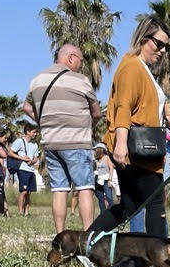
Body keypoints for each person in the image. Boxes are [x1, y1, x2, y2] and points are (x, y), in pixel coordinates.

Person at [89, 15, 170, 267]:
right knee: (153, 203)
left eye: (166, 46)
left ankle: (87, 243)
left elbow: (144, 105)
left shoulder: (143, 69)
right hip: (134, 150)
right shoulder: (132, 66)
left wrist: (166, 112)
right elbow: (123, 107)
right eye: (158, 44)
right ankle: (166, 257)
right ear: (143, 38)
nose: (162, 50)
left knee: (130, 206)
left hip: (143, 149)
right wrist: (121, 144)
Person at [22, 43, 100, 234]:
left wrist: (43, 122)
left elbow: (26, 107)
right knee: (84, 188)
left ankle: (60, 235)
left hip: (51, 142)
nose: (80, 65)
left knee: (59, 189)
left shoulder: (37, 80)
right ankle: (88, 237)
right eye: (80, 61)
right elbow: (97, 113)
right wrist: (88, 125)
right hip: (76, 141)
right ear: (71, 57)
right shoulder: (80, 80)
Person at [8, 123, 39, 215]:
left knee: (29, 192)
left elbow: (36, 157)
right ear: (28, 132)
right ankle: (20, 212)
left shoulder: (35, 144)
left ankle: (27, 212)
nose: (35, 134)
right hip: (22, 169)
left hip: (31, 170)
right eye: (34, 132)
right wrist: (23, 158)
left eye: (36, 132)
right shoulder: (19, 141)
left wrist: (32, 161)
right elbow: (10, 153)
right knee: (23, 191)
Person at [92, 142, 114, 209]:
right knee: (101, 199)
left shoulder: (106, 157)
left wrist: (110, 180)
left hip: (106, 180)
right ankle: (103, 215)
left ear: (100, 150)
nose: (95, 151)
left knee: (109, 197)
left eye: (96, 149)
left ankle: (113, 212)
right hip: (97, 180)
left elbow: (111, 168)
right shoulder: (95, 159)